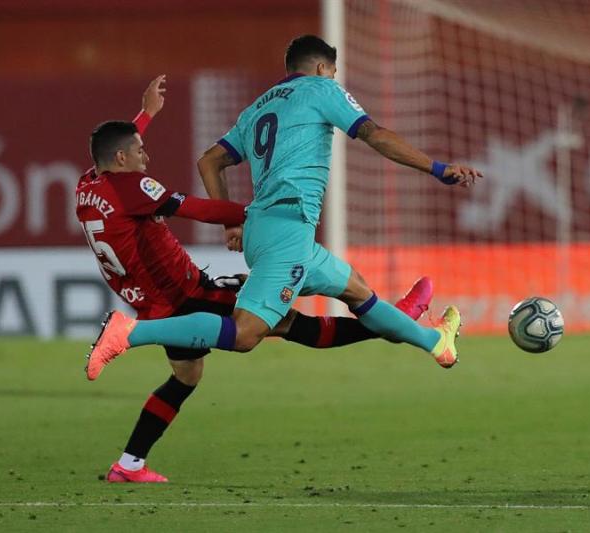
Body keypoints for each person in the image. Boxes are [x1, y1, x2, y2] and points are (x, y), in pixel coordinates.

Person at [78, 76, 433, 483]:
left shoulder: (89, 184)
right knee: (282, 321)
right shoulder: (136, 185)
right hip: (184, 291)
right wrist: (258, 215)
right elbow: (197, 209)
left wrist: (145, 115)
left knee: (186, 376)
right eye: (139, 152)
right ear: (123, 159)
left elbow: (116, 151)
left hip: (151, 300)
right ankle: (395, 323)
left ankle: (129, 464)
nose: (146, 156)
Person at [86, 34, 480, 386]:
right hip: (286, 230)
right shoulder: (322, 89)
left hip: (269, 229)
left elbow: (209, 161)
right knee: (245, 335)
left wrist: (231, 226)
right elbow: (373, 134)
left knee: (356, 290)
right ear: (324, 68)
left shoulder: (256, 108)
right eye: (333, 71)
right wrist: (437, 168)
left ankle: (435, 342)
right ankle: (130, 333)